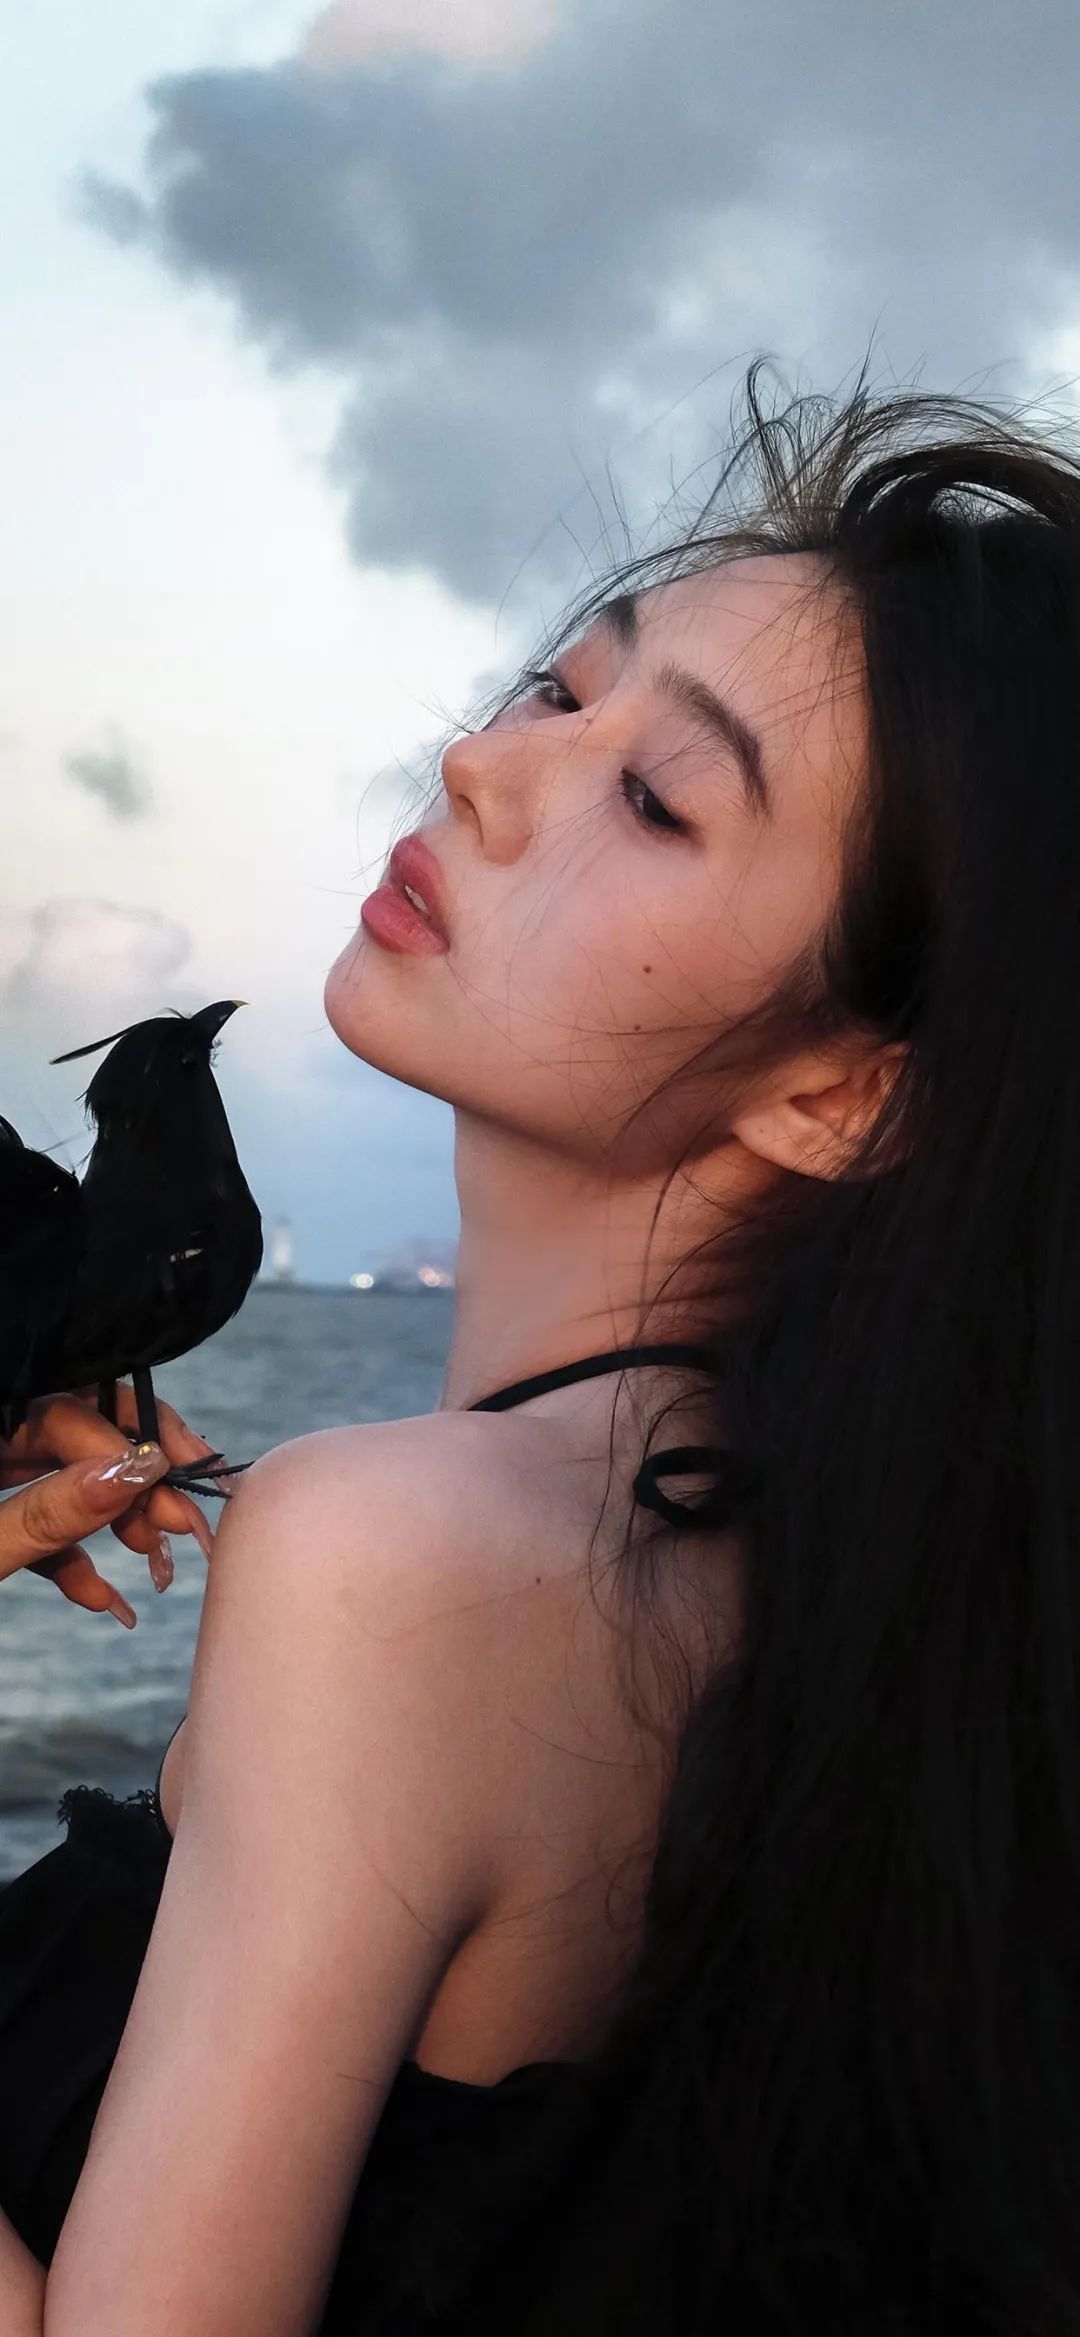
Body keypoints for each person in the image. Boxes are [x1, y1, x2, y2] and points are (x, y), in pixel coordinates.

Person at [2, 360, 1080, 2334]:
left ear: (841, 1094)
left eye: (657, 799)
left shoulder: (390, 1557)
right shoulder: (806, 1588)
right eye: (559, 691)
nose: (484, 768)